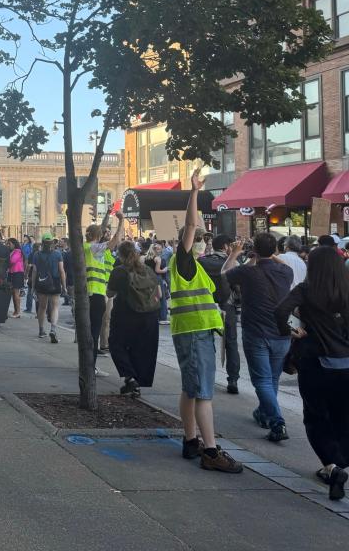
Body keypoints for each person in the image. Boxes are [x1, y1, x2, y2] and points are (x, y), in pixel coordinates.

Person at [170, 169, 242, 472]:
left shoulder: (193, 269)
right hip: (195, 333)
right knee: (203, 393)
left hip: (193, 331)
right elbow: (189, 224)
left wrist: (233, 258)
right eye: (199, 240)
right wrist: (195, 192)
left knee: (190, 389)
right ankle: (210, 451)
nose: (202, 243)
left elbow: (220, 283)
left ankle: (190, 441)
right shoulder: (184, 262)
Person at [274, 246, 349, 500]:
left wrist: (291, 331)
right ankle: (339, 461)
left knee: (316, 417)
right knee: (342, 416)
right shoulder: (346, 290)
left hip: (314, 362)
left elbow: (280, 311)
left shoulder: (306, 290)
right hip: (345, 365)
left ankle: (332, 466)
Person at [222, 232, 293, 442]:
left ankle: (277, 421)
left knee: (262, 380)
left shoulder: (246, 272)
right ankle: (264, 413)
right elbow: (274, 259)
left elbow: (225, 272)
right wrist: (271, 254)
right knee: (272, 379)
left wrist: (235, 253)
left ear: (254, 251)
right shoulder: (286, 272)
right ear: (276, 251)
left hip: (256, 332)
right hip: (281, 334)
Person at [107, 240, 160, 397]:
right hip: (149, 316)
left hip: (125, 314)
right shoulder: (148, 270)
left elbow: (109, 293)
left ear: (121, 255)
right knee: (141, 349)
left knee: (116, 344)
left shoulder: (118, 271)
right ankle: (136, 383)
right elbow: (159, 295)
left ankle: (130, 378)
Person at [84, 210, 125, 378]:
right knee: (94, 332)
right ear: (98, 235)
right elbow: (114, 241)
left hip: (88, 294)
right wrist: (121, 221)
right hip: (96, 294)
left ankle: (86, 365)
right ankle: (90, 366)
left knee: (88, 332)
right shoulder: (95, 249)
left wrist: (107, 215)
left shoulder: (86, 246)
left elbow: (100, 230)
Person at [197, 235, 240, 394]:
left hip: (206, 306)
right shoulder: (232, 263)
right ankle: (233, 379)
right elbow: (238, 288)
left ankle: (205, 376)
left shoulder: (201, 261)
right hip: (226, 306)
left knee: (205, 342)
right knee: (231, 343)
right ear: (226, 246)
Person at [31, 235, 65, 342]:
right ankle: (53, 329)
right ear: (52, 243)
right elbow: (61, 271)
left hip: (41, 282)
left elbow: (35, 271)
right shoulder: (57, 254)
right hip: (54, 282)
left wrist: (32, 287)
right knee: (55, 306)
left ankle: (41, 330)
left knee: (42, 307)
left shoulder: (37, 255)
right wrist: (64, 286)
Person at [5, 238, 25, 319]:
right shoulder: (12, 252)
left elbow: (12, 261)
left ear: (14, 244)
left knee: (16, 292)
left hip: (17, 273)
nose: (8, 245)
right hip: (12, 273)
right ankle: (16, 310)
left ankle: (18, 311)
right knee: (13, 293)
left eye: (9, 244)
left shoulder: (18, 251)